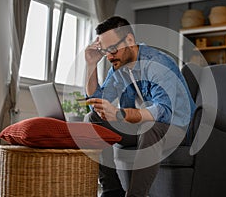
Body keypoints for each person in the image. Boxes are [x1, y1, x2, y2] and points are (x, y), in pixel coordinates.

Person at [84, 16, 196, 197]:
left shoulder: (158, 64)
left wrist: (120, 114)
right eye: (105, 51)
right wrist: (90, 65)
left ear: (129, 40)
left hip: (177, 128)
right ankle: (112, 191)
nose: (110, 56)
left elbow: (164, 112)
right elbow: (96, 103)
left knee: (149, 127)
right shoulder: (118, 69)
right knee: (93, 119)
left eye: (112, 49)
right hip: (140, 129)